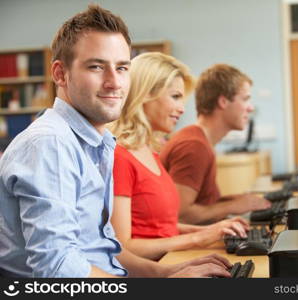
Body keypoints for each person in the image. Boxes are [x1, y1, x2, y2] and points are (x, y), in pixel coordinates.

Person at [0, 5, 232, 278]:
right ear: (60, 74)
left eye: (122, 68)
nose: (114, 82)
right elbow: (58, 270)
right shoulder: (50, 143)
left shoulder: (98, 143)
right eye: (96, 66)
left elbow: (105, 247)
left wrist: (166, 273)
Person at [109, 53, 249, 261]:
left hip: (169, 263)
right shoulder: (120, 156)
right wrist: (197, 239)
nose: (182, 109)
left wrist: (212, 231)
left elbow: (159, 227)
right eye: (175, 97)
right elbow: (122, 247)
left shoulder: (149, 151)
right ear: (144, 95)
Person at [160, 64, 272, 225]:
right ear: (223, 102)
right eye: (245, 99)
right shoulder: (194, 146)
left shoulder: (199, 140)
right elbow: (180, 215)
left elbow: (200, 203)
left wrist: (231, 201)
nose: (250, 108)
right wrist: (232, 206)